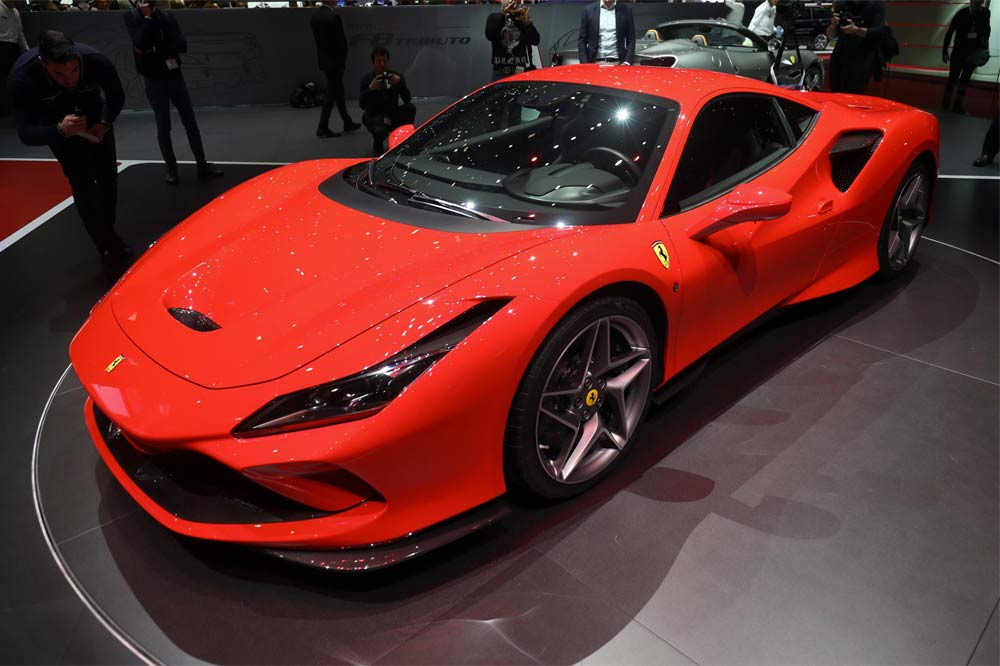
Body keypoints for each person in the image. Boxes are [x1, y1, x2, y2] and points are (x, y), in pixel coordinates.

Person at [7, 31, 133, 279]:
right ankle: (106, 246)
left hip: (95, 121)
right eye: (59, 74)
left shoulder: (96, 61)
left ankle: (108, 234)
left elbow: (116, 96)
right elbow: (25, 133)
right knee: (82, 183)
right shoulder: (21, 77)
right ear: (43, 63)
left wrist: (105, 122)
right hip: (58, 128)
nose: (69, 78)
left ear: (78, 58)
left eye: (74, 70)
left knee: (108, 178)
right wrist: (59, 130)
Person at [124, 0, 224, 184]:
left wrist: (154, 48)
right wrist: (148, 19)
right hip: (154, 79)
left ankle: (202, 164)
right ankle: (171, 169)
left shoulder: (166, 16)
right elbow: (139, 42)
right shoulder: (132, 17)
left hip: (174, 76)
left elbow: (182, 45)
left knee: (190, 123)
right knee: (163, 127)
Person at [310, 3, 360, 137]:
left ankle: (347, 121)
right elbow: (340, 42)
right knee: (332, 93)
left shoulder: (315, 16)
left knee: (338, 91)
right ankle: (322, 127)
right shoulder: (334, 17)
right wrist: (342, 59)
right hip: (335, 62)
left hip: (324, 61)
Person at [359, 46, 415, 155]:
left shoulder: (396, 77)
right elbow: (362, 105)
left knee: (410, 108)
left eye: (385, 61)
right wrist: (370, 89)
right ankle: (378, 142)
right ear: (373, 62)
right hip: (375, 116)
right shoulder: (367, 79)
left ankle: (402, 139)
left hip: (392, 113)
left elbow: (407, 99)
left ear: (388, 61)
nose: (382, 64)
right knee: (379, 130)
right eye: (379, 61)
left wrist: (400, 84)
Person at [825, 1, 886, 94]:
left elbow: (878, 32)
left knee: (856, 93)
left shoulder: (875, 4)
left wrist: (856, 30)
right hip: (840, 55)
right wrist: (833, 25)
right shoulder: (842, 4)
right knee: (835, 92)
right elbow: (830, 35)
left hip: (863, 56)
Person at [942, 0, 991, 114]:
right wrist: (944, 51)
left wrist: (984, 48)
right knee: (953, 79)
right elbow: (950, 32)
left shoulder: (985, 13)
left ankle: (956, 106)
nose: (978, 2)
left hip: (973, 52)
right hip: (959, 52)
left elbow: (987, 30)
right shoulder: (961, 14)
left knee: (964, 81)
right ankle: (945, 104)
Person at [485, 0, 540, 82]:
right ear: (502, 1)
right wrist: (503, 14)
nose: (510, 1)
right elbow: (490, 35)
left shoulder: (520, 18)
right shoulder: (494, 17)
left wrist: (528, 24)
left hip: (520, 71)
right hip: (501, 71)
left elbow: (535, 41)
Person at [577, 0, 636, 66]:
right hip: (593, 63)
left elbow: (631, 39)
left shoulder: (626, 10)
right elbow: (582, 40)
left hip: (619, 63)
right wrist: (584, 64)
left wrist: (627, 62)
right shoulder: (588, 10)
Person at [0, 0, 28, 116]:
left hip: (13, 48)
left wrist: (27, 51)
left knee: (12, 77)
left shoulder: (15, 12)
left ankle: (9, 108)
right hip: (2, 46)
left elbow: (20, 34)